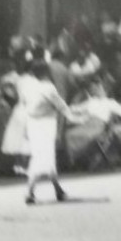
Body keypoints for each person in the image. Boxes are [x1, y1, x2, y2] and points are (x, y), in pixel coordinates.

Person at [18, 61, 82, 205]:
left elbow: (24, 106)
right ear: (47, 73)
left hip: (32, 124)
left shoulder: (28, 87)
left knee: (45, 156)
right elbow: (62, 107)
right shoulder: (48, 87)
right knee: (42, 157)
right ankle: (29, 191)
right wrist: (77, 117)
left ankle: (58, 189)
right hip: (45, 125)